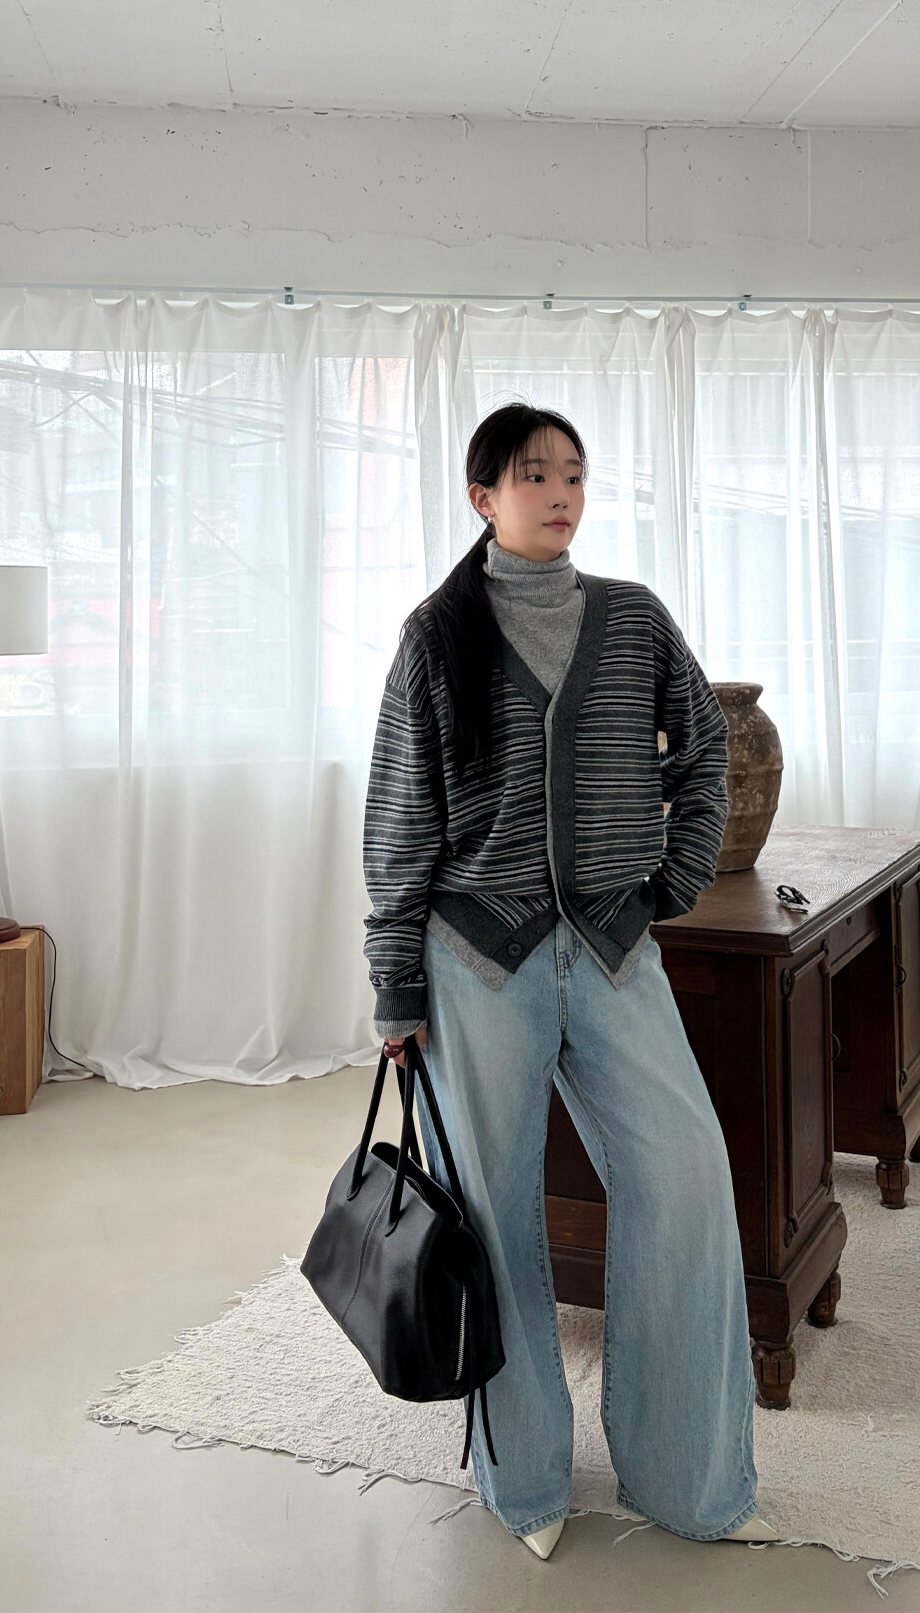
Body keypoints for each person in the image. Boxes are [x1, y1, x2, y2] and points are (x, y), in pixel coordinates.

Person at [362, 402, 773, 1559]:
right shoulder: (436, 636)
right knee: (493, 1218)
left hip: (611, 951)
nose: (559, 492)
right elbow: (399, 819)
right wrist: (396, 986)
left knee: (687, 1177)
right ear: (483, 496)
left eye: (574, 474)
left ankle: (689, 1479)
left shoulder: (633, 620)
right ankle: (528, 1481)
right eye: (533, 474)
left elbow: (705, 749)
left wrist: (669, 882)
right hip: (474, 962)